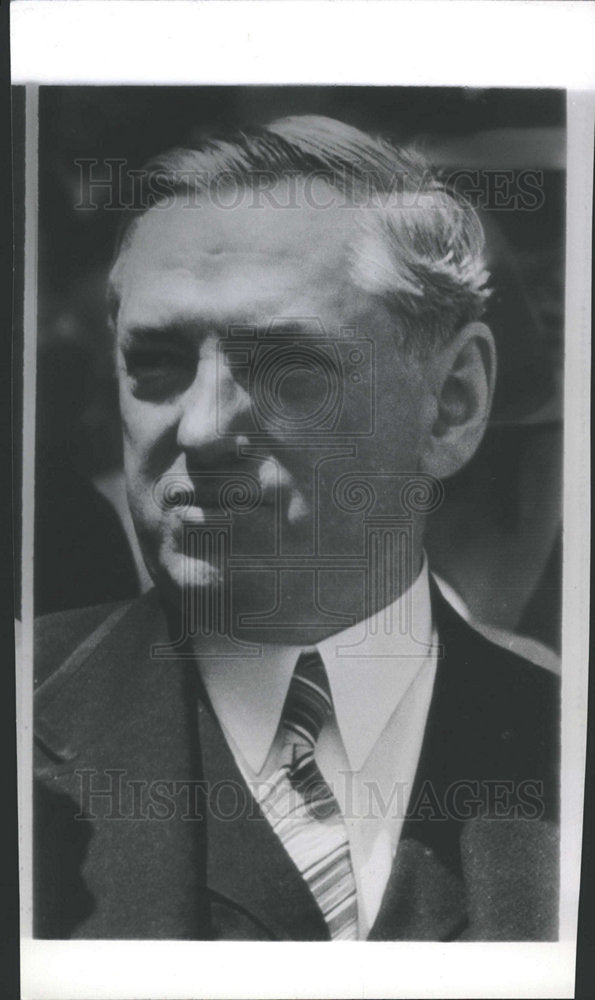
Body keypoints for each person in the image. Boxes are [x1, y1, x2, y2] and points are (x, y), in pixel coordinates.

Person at [34, 115, 559, 941]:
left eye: (285, 368)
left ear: (451, 403)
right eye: (160, 364)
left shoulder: (560, 741)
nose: (202, 430)